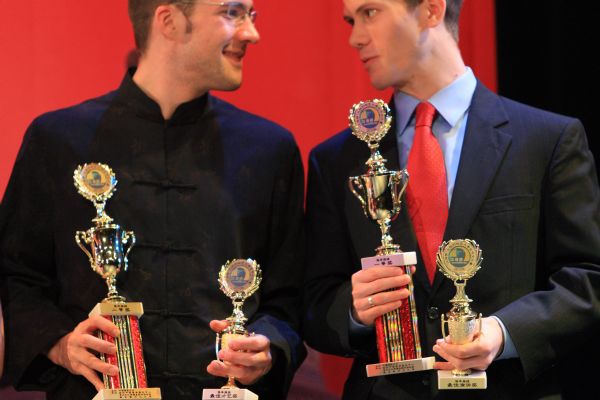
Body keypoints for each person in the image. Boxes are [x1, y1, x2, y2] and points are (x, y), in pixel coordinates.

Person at [0, 1, 305, 399]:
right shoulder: (56, 140)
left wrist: (267, 347)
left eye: (252, 14)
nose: (251, 33)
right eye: (232, 12)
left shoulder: (270, 150)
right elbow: (16, 276)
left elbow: (290, 297)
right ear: (170, 21)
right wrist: (59, 344)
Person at [303, 0, 600, 398]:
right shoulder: (338, 160)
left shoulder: (547, 140)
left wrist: (504, 332)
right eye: (350, 20)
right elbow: (315, 305)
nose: (355, 37)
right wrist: (354, 311)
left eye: (370, 13)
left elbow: (587, 279)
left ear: (430, 10)